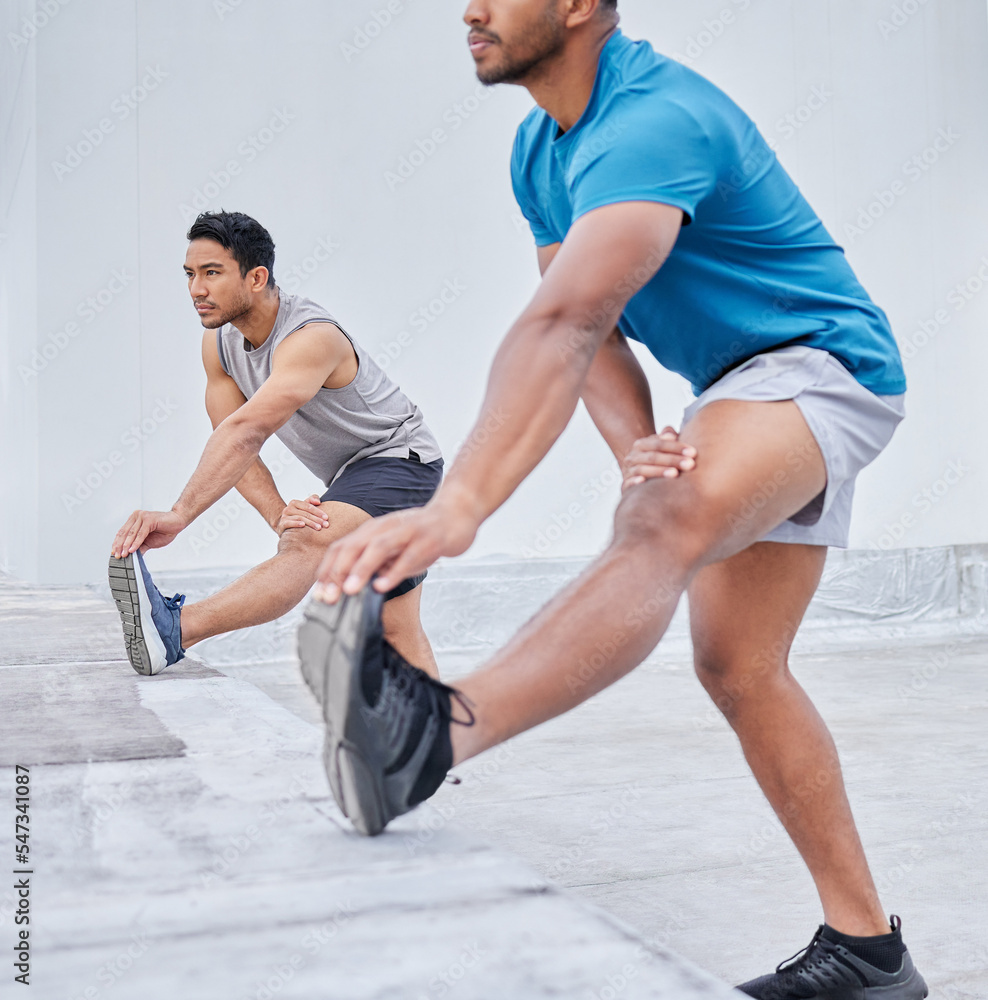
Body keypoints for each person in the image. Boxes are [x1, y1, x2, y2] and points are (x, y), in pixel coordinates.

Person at [298, 3, 927, 998]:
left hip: (821, 367)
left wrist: (459, 503)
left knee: (658, 528)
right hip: (740, 386)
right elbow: (590, 339)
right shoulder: (538, 151)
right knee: (738, 664)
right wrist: (641, 448)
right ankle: (868, 954)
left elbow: (563, 321)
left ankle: (432, 735)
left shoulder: (654, 120)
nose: (470, 8)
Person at [108, 211, 443, 681]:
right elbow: (232, 440)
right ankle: (433, 747)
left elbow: (248, 432)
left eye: (212, 273)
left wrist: (180, 514)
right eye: (190, 274)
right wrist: (276, 513)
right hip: (355, 477)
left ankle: (175, 630)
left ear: (257, 276)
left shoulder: (310, 338)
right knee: (397, 627)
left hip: (403, 463)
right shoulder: (219, 346)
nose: (196, 290)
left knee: (308, 540)